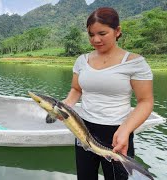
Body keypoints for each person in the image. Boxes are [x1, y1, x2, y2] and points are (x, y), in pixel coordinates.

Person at [62, 7, 154, 180]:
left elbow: (145, 101)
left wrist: (126, 130)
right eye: (91, 35)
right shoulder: (82, 61)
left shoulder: (135, 63)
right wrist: (66, 105)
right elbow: (76, 89)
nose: (96, 39)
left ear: (117, 31)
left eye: (102, 33)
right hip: (83, 128)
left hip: (117, 132)